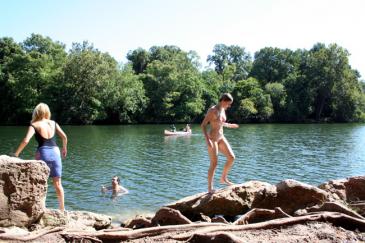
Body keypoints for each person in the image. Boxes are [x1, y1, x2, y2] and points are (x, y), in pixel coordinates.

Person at [14, 103, 68, 212]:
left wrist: (16, 154)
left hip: (43, 152)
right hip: (56, 152)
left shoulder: (34, 124)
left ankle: (40, 208)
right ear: (47, 112)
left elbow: (26, 140)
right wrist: (64, 148)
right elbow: (64, 137)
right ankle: (62, 210)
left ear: (36, 112)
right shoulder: (53, 123)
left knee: (41, 182)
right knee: (58, 183)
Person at [201, 93, 239, 193]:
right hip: (212, 139)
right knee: (214, 163)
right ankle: (210, 188)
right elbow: (203, 125)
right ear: (223, 101)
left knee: (231, 157)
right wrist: (207, 139)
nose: (229, 106)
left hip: (221, 137)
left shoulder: (222, 109)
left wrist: (229, 125)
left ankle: (223, 178)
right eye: (228, 104)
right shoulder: (213, 110)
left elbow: (219, 122)